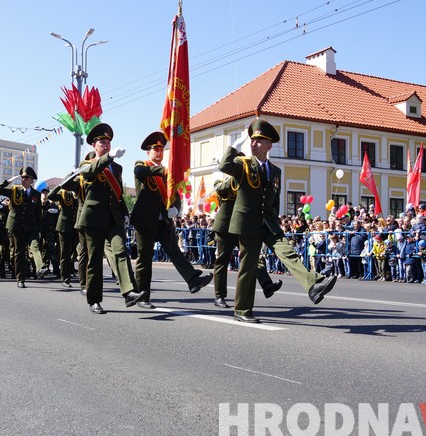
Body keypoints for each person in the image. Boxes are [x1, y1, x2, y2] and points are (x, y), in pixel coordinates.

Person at [219, 120, 336, 323]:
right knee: (249, 266)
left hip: (269, 223)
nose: (254, 144)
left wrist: (275, 222)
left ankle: (313, 286)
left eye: (259, 141)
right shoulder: (243, 164)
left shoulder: (275, 171)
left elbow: (274, 200)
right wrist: (233, 148)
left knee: (287, 252)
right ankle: (242, 310)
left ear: (269, 145)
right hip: (247, 223)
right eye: (253, 141)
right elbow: (224, 166)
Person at [131, 131, 214, 309]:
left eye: (161, 149)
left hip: (163, 221)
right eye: (155, 149)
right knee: (144, 260)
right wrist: (163, 171)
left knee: (174, 251)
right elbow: (139, 172)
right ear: (148, 152)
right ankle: (142, 296)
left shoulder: (167, 172)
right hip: (145, 221)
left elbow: (175, 194)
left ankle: (193, 280)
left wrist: (176, 208)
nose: (159, 152)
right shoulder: (143, 165)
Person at [74, 123, 147, 314]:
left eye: (107, 141)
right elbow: (89, 173)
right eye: (101, 142)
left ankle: (128, 291)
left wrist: (124, 213)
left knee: (120, 251)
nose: (105, 144)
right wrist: (108, 157)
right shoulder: (86, 164)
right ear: (93, 145)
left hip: (113, 217)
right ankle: (94, 300)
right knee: (95, 259)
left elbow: (118, 193)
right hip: (93, 218)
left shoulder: (118, 167)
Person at [212, 176, 282, 308]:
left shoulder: (247, 183)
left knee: (252, 256)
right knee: (222, 260)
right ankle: (219, 296)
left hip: (241, 226)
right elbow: (220, 190)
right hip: (225, 226)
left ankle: (267, 285)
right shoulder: (221, 181)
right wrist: (236, 176)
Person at [0, 166, 48, 288]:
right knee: (19, 253)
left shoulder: (36, 194)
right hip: (17, 226)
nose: (23, 180)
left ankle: (41, 268)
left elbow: (38, 214)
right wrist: (9, 181)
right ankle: (20, 279)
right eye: (23, 177)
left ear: (31, 180)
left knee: (35, 247)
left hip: (31, 227)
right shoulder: (14, 190)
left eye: (26, 178)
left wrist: (39, 230)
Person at [48, 182, 78, 287]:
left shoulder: (81, 193)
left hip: (77, 227)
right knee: (65, 253)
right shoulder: (64, 193)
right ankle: (65, 278)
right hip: (64, 227)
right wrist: (59, 186)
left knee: (77, 252)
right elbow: (50, 196)